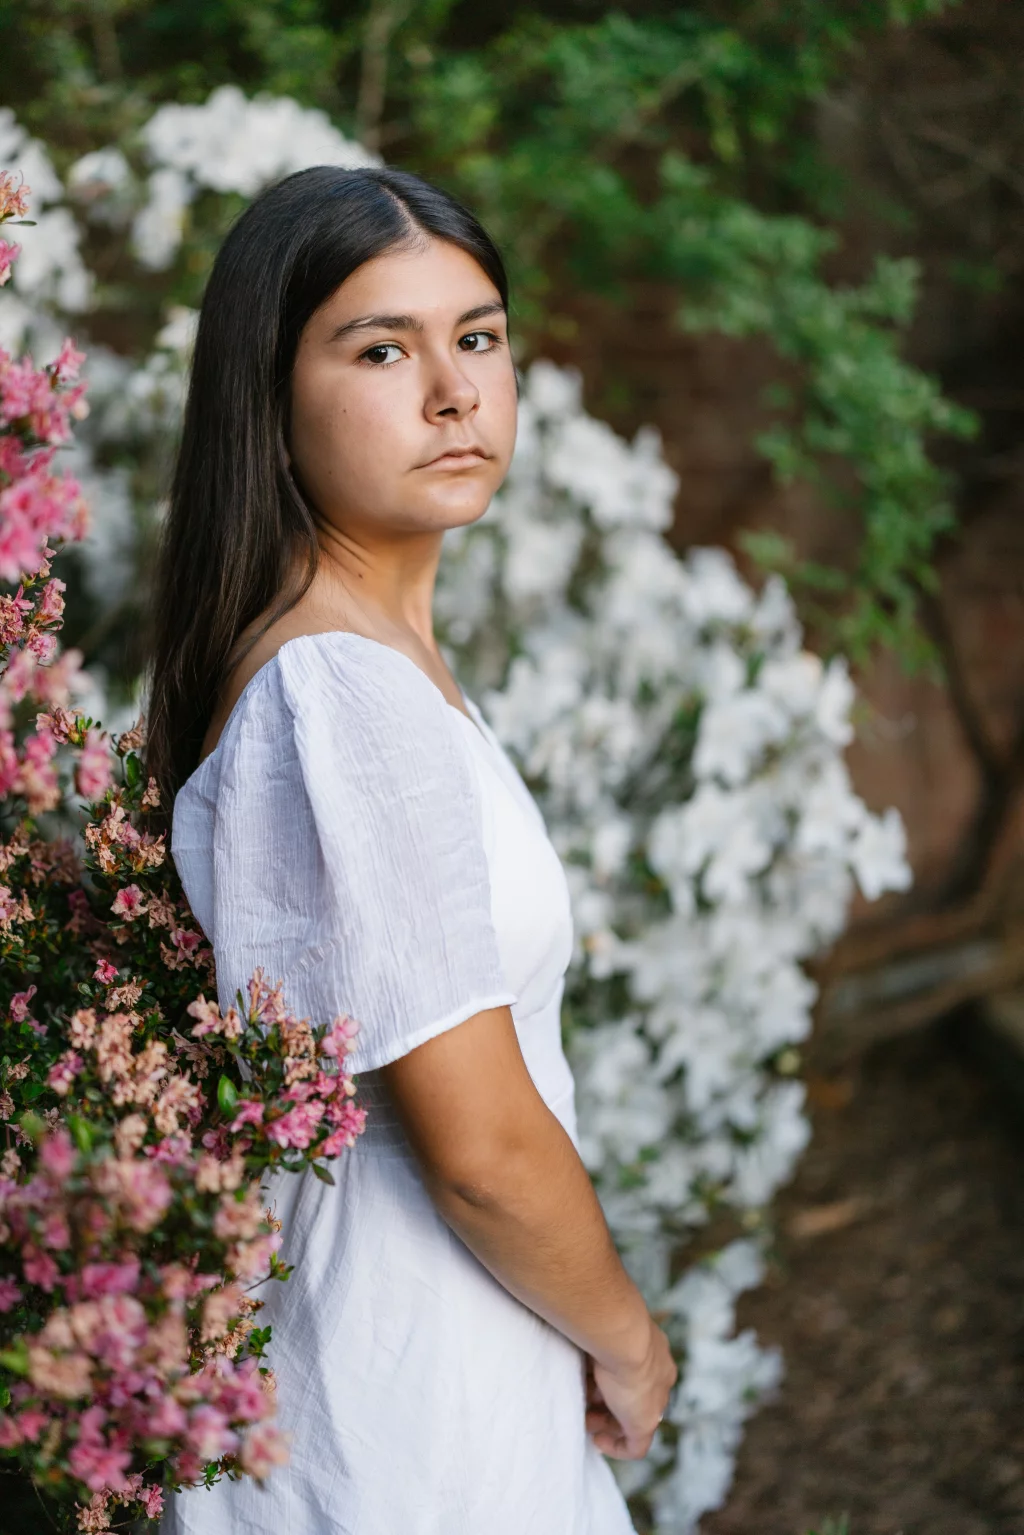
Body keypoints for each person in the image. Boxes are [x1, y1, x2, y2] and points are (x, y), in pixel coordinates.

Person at [147, 164, 676, 1535]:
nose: (454, 390)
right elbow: (481, 1144)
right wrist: (628, 1335)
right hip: (408, 1411)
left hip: (443, 1372)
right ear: (269, 396)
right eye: (383, 347)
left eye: (478, 336)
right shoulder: (340, 692)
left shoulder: (372, 669)